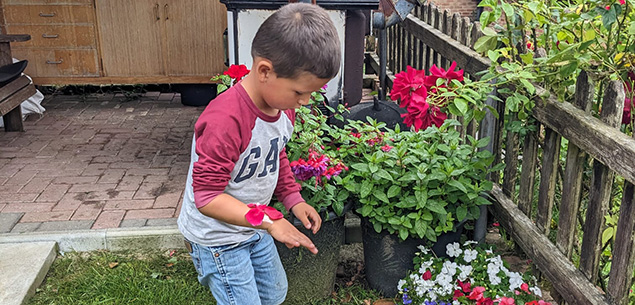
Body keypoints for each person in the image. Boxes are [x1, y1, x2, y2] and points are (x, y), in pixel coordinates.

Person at [177, 3, 341, 305]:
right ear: (265, 71)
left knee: (274, 293)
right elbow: (207, 197)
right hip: (218, 238)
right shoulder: (226, 120)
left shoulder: (282, 109)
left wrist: (293, 199)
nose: (304, 102)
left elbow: (275, 155)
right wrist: (269, 222)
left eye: (311, 94)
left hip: (253, 225)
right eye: (299, 92)